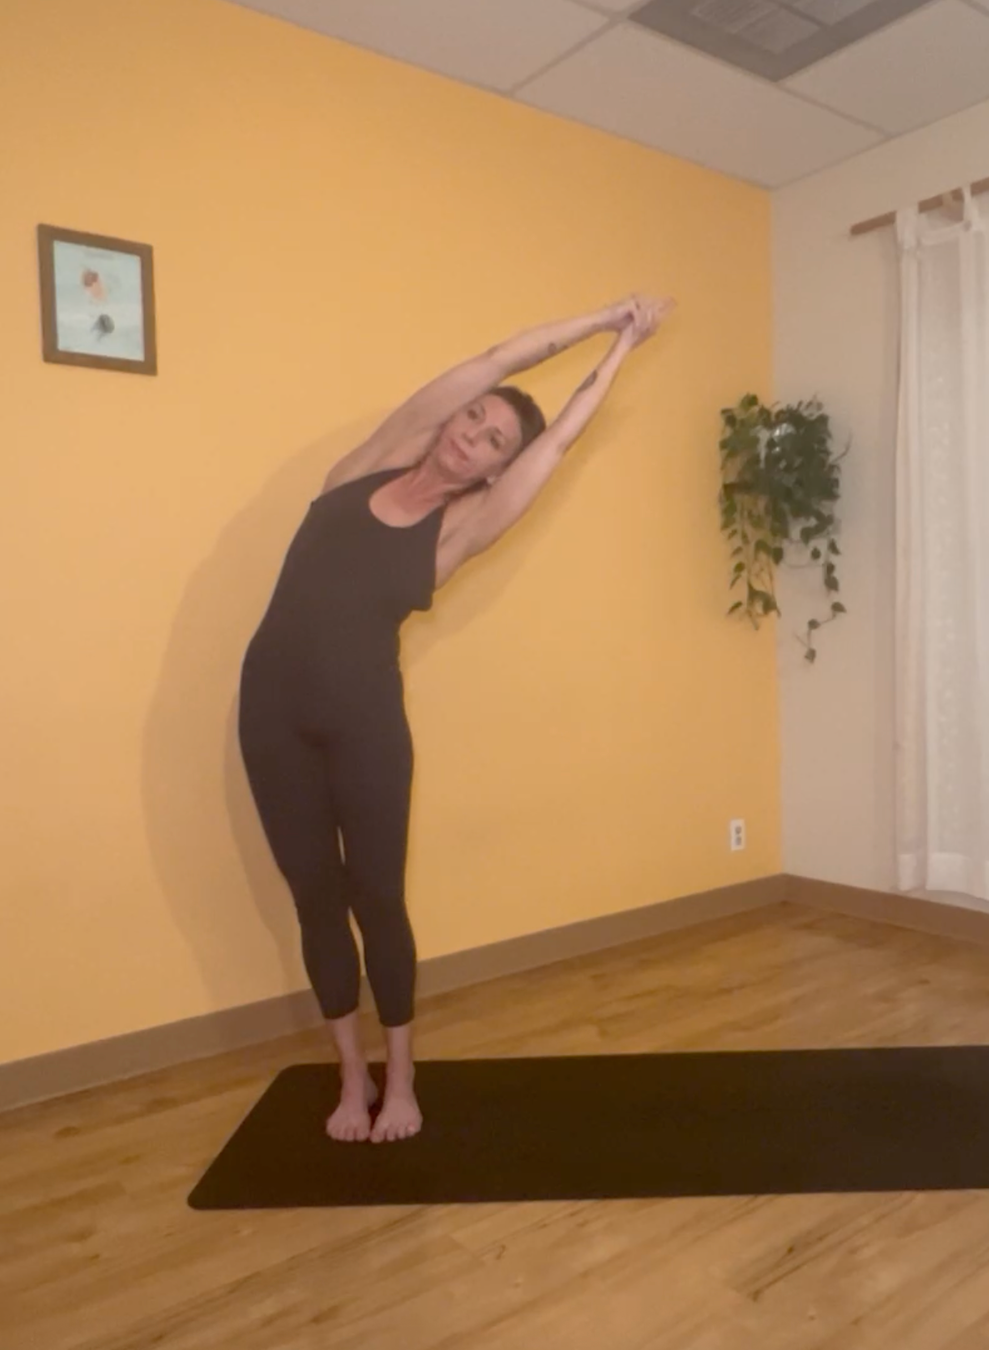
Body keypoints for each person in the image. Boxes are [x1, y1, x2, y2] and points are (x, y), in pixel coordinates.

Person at [238, 294, 675, 1143]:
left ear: (490, 471)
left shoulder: (456, 532)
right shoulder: (369, 462)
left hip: (364, 727)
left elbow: (557, 441)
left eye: (492, 440)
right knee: (314, 903)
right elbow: (497, 357)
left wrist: (624, 348)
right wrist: (595, 317)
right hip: (270, 715)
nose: (473, 431)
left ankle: (401, 1080)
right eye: (473, 418)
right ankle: (351, 1078)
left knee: (377, 899)